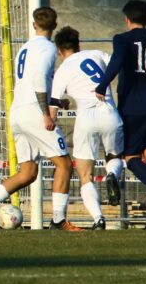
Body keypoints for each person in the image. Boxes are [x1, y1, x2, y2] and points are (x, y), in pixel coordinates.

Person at [0, 7, 82, 231]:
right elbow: (40, 78)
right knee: (64, 164)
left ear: (34, 25)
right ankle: (59, 221)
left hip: (18, 112)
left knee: (28, 173)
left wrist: (57, 102)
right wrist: (45, 113)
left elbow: (30, 82)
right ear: (54, 26)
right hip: (35, 112)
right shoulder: (48, 49)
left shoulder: (24, 48)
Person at [95, 0, 146, 230]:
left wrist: (102, 86)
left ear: (127, 19)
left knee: (130, 158)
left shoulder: (122, 39)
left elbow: (118, 60)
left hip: (133, 107)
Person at [50, 26, 124, 230]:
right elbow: (118, 65)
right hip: (109, 111)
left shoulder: (62, 71)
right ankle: (112, 175)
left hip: (86, 118)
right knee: (114, 157)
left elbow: (53, 106)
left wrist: (51, 124)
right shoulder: (96, 54)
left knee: (85, 175)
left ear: (58, 50)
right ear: (78, 44)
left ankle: (99, 219)